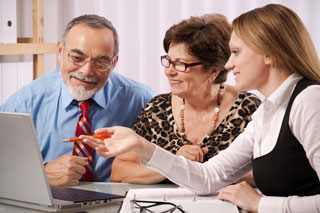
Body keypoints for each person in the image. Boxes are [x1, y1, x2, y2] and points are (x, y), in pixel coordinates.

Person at [81, 4, 320, 212]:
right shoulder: (267, 113)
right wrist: (141, 145)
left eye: (236, 52)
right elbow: (208, 177)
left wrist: (259, 204)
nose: (229, 63)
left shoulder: (309, 100)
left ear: (269, 54)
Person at [0, 14, 155, 186]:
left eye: (100, 62)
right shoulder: (25, 103)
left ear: (114, 63)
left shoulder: (142, 101)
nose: (87, 71)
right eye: (77, 58)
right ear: (60, 52)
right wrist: (40, 175)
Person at [110, 14, 261, 184]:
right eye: (168, 61)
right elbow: (119, 171)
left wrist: (201, 172)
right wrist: (173, 164)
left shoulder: (249, 108)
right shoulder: (157, 108)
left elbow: (268, 174)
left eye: (181, 64)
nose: (169, 71)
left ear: (213, 71)